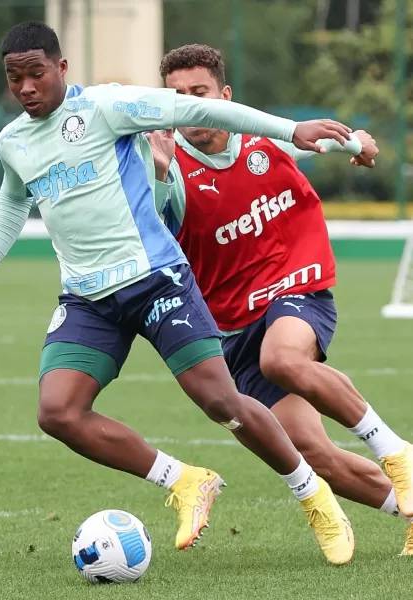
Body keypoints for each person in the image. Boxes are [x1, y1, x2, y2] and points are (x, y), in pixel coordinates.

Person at [0, 22, 359, 565]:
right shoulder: (13, 141)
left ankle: (313, 495)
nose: (26, 87)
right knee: (58, 412)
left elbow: (204, 112)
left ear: (61, 69)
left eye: (36, 73)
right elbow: (13, 201)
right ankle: (184, 480)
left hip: (154, 279)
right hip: (87, 298)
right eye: (15, 78)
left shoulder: (107, 108)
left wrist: (291, 131)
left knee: (222, 402)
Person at [152, 43, 413, 556]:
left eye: (199, 93)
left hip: (296, 286)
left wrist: (359, 143)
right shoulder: (166, 165)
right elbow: (154, 220)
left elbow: (341, 141)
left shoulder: (266, 137)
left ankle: (396, 451)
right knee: (314, 453)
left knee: (283, 358)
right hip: (232, 324)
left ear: (224, 96)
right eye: (177, 97)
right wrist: (159, 175)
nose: (189, 107)